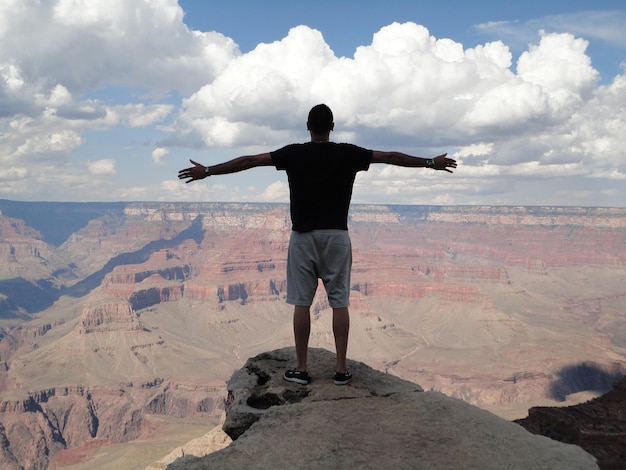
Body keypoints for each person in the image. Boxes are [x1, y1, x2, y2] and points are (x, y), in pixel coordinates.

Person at [178, 104, 457, 385]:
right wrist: (430, 163)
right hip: (337, 237)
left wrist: (209, 171)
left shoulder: (293, 154)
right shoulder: (349, 153)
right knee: (340, 302)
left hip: (303, 238)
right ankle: (340, 369)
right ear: (332, 127)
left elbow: (250, 161)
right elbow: (391, 156)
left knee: (301, 303)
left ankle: (301, 369)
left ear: (308, 127)